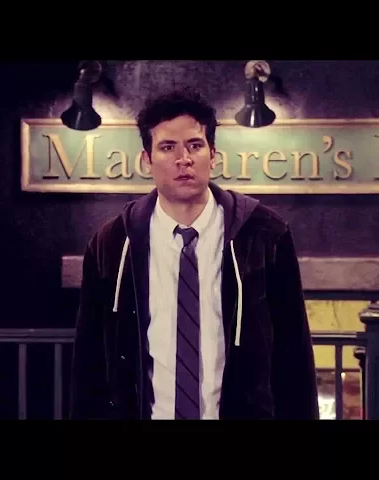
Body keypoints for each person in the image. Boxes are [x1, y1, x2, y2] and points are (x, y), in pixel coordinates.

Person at [69, 88, 319, 420]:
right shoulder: (111, 243)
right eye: (167, 147)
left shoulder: (265, 234)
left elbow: (294, 354)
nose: (183, 159)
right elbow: (89, 363)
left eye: (195, 145)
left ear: (213, 156)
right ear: (146, 160)